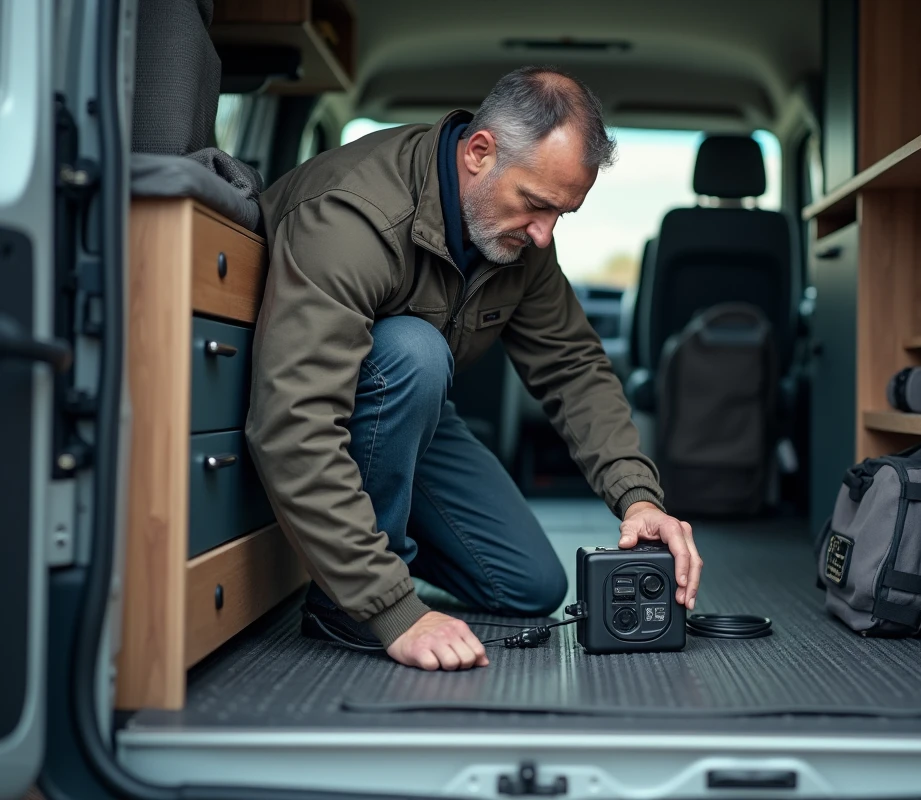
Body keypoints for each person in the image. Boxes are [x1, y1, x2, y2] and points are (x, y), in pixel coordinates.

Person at [245, 66, 702, 672]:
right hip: (318, 420)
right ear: (479, 153)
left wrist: (639, 500)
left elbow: (572, 366)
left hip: (402, 418)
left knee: (532, 586)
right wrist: (392, 609)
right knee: (415, 349)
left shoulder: (520, 238)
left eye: (562, 214)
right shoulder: (351, 217)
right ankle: (345, 602)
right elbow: (294, 420)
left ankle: (371, 551)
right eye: (537, 205)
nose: (544, 236)